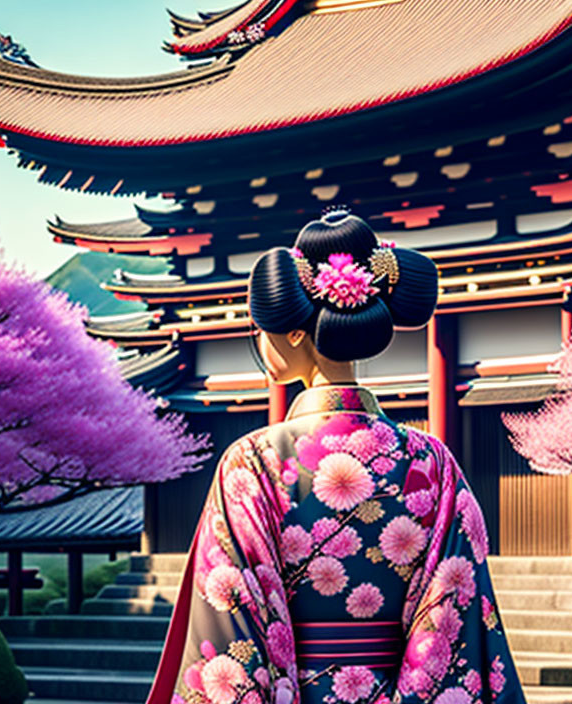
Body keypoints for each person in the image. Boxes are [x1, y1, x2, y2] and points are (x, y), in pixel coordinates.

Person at [146, 209, 526, 704]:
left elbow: (230, 613)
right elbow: (454, 613)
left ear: (298, 334)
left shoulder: (253, 463)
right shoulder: (432, 463)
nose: (261, 340)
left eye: (263, 327)